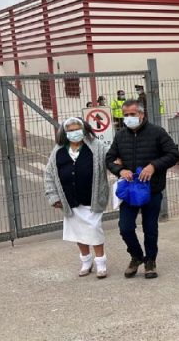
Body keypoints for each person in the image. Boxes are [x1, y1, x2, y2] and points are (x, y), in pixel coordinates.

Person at [106, 100, 179, 279]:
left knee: (150, 228)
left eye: (133, 114)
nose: (129, 118)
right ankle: (136, 256)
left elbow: (173, 154)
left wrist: (153, 166)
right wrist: (120, 170)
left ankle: (150, 261)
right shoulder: (121, 136)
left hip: (152, 189)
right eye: (126, 115)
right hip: (129, 191)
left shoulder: (157, 132)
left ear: (141, 114)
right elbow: (109, 158)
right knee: (125, 227)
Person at [45, 117, 110, 278]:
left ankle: (101, 263)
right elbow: (49, 174)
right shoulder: (58, 150)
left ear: (84, 129)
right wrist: (53, 196)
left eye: (77, 129)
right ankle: (86, 262)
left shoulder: (96, 147)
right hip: (70, 200)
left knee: (94, 230)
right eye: (70, 131)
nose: (74, 133)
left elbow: (110, 160)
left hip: (92, 198)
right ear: (65, 133)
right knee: (78, 232)